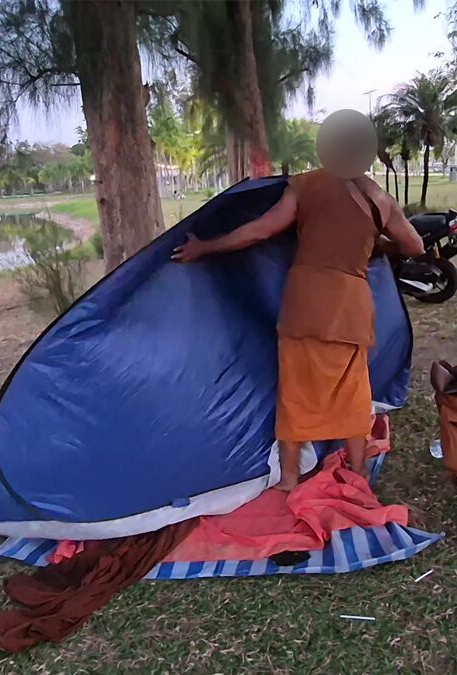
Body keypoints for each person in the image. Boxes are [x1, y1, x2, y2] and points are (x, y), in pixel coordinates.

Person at [173, 109, 424, 490]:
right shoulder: (379, 199)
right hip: (351, 311)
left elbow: (260, 230)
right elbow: (415, 245)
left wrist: (205, 246)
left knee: (296, 397)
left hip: (305, 306)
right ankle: (357, 479)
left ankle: (290, 480)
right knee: (354, 396)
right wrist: (376, 242)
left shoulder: (306, 185)